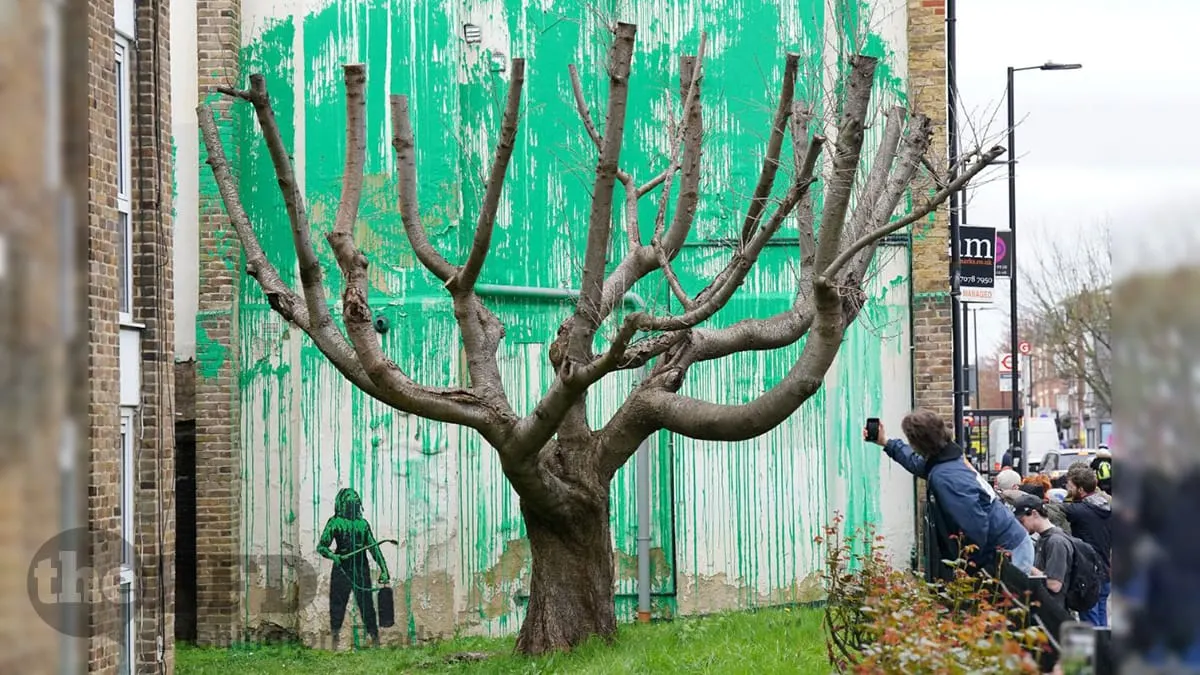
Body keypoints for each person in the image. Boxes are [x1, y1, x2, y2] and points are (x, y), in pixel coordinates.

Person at [867, 409, 1034, 575]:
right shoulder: (948, 458)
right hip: (1006, 544)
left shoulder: (947, 477)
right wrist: (886, 442)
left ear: (918, 443)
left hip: (1005, 551)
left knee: (998, 600)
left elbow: (974, 526)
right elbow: (917, 463)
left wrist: (968, 571)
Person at [317, 487, 391, 649]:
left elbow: (373, 548)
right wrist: (334, 556)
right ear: (342, 503)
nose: (353, 502)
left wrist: (384, 569)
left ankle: (375, 639)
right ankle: (335, 641)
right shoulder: (335, 522)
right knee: (337, 605)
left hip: (361, 567)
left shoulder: (362, 524)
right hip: (342, 568)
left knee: (367, 606)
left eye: (355, 500)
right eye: (349, 500)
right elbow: (321, 547)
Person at [1063, 464, 1112, 626]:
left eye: (1070, 486)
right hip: (1105, 571)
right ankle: (1104, 649)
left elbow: (1053, 509)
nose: (1067, 489)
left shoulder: (1079, 511)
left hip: (1088, 574)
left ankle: (1096, 651)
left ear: (1081, 489)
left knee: (1089, 623)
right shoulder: (1106, 507)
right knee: (1101, 617)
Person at [1010, 492, 1074, 612]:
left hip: (1054, 613)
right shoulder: (1042, 538)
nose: (1019, 526)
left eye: (1022, 521)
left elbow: (1054, 584)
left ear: (1034, 513)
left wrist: (1026, 566)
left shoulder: (1056, 541)